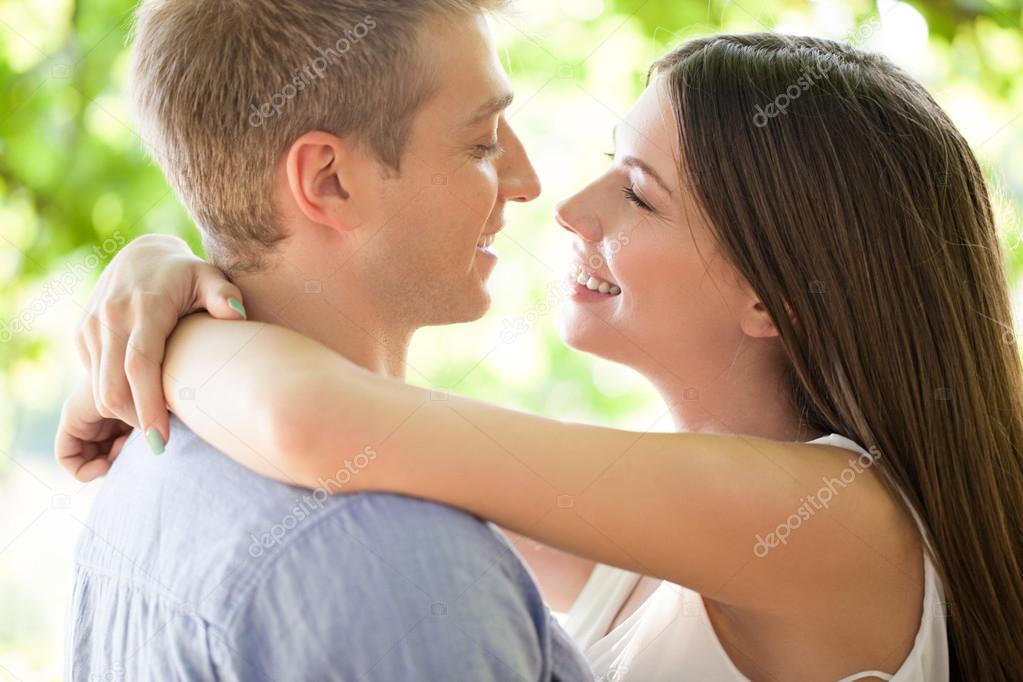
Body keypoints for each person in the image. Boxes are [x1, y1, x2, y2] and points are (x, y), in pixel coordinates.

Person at [61, 31, 1023, 682]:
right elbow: (379, 436)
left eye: (638, 194)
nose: (567, 207)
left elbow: (319, 423)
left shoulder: (829, 523)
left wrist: (172, 326)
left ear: (771, 295)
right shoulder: (675, 531)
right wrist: (161, 265)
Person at [56, 0, 596, 680]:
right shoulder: (406, 566)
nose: (525, 183)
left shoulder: (152, 459)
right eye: (482, 142)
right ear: (328, 181)